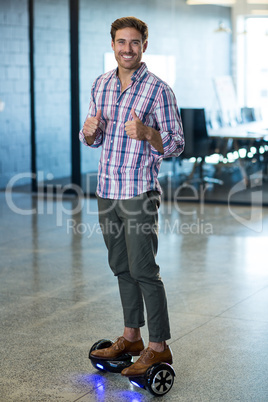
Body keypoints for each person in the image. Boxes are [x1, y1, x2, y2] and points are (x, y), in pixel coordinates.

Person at [79, 16, 184, 377]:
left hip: (139, 190)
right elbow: (93, 137)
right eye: (121, 42)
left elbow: (176, 144)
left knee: (144, 269)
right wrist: (89, 132)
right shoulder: (101, 84)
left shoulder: (159, 90)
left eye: (134, 42)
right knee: (121, 267)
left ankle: (158, 346)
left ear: (144, 46)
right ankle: (131, 337)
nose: (127, 48)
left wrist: (148, 132)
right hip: (106, 189)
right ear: (112, 45)